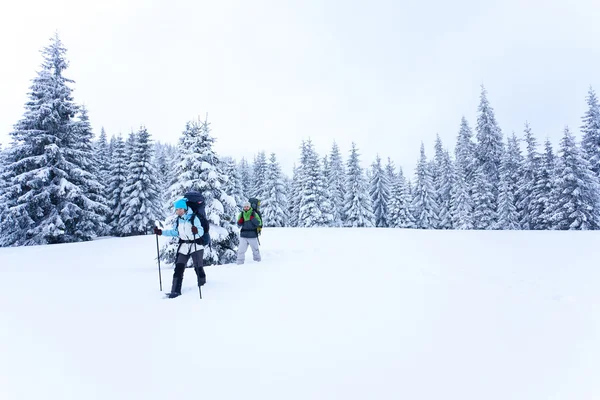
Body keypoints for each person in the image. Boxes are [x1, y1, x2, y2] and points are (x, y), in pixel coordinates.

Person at [154, 198, 206, 298]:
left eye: (179, 209)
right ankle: (175, 291)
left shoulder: (193, 218)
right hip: (184, 246)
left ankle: (203, 285)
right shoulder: (179, 220)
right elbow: (175, 232)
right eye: (177, 210)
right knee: (179, 267)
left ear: (184, 208)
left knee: (198, 267)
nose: (178, 211)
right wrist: (161, 232)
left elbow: (201, 231)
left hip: (196, 245)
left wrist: (196, 231)